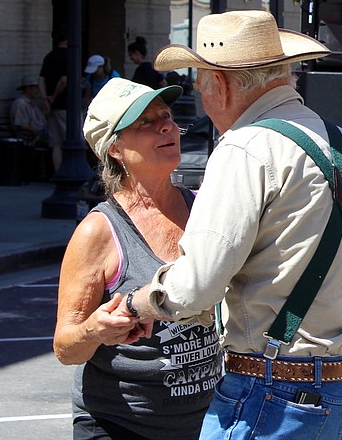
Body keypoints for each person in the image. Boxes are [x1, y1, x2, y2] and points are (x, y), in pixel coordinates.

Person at [126, 10, 342, 440]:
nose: (203, 102)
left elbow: (194, 289)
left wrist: (138, 304)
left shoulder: (246, 147)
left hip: (272, 393)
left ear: (220, 85)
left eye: (201, 86)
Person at [53, 78, 222, 439]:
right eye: (144, 122)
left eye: (166, 116)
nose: (166, 126)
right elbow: (66, 347)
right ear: (114, 147)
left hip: (207, 420)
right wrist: (94, 330)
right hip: (120, 423)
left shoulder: (204, 209)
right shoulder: (98, 231)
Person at [39, 26, 71, 172]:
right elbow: (64, 80)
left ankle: (58, 172)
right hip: (66, 105)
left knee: (55, 144)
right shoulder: (69, 56)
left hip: (52, 106)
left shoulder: (49, 56)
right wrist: (53, 97)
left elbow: (41, 79)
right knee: (71, 142)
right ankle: (69, 172)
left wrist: (46, 98)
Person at [10, 74, 48, 144]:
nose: (38, 90)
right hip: (31, 140)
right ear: (28, 88)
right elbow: (22, 128)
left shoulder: (32, 103)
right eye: (36, 87)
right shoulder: (20, 104)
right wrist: (38, 133)